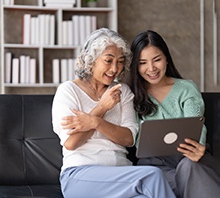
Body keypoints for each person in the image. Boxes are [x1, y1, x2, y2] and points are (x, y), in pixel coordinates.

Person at [52, 28, 175, 198]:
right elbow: (71, 143)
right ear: (91, 60)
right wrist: (102, 107)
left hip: (122, 176)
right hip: (80, 176)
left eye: (120, 62)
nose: (115, 69)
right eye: (108, 61)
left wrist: (95, 122)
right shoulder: (68, 91)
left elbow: (129, 138)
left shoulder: (122, 91)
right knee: (153, 176)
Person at [129, 29, 220, 198]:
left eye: (157, 60)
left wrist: (197, 148)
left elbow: (196, 124)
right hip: (155, 166)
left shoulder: (186, 88)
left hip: (191, 156)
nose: (151, 68)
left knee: (189, 167)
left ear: (166, 59)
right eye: (142, 63)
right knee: (158, 179)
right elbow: (133, 137)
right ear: (135, 65)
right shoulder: (131, 95)